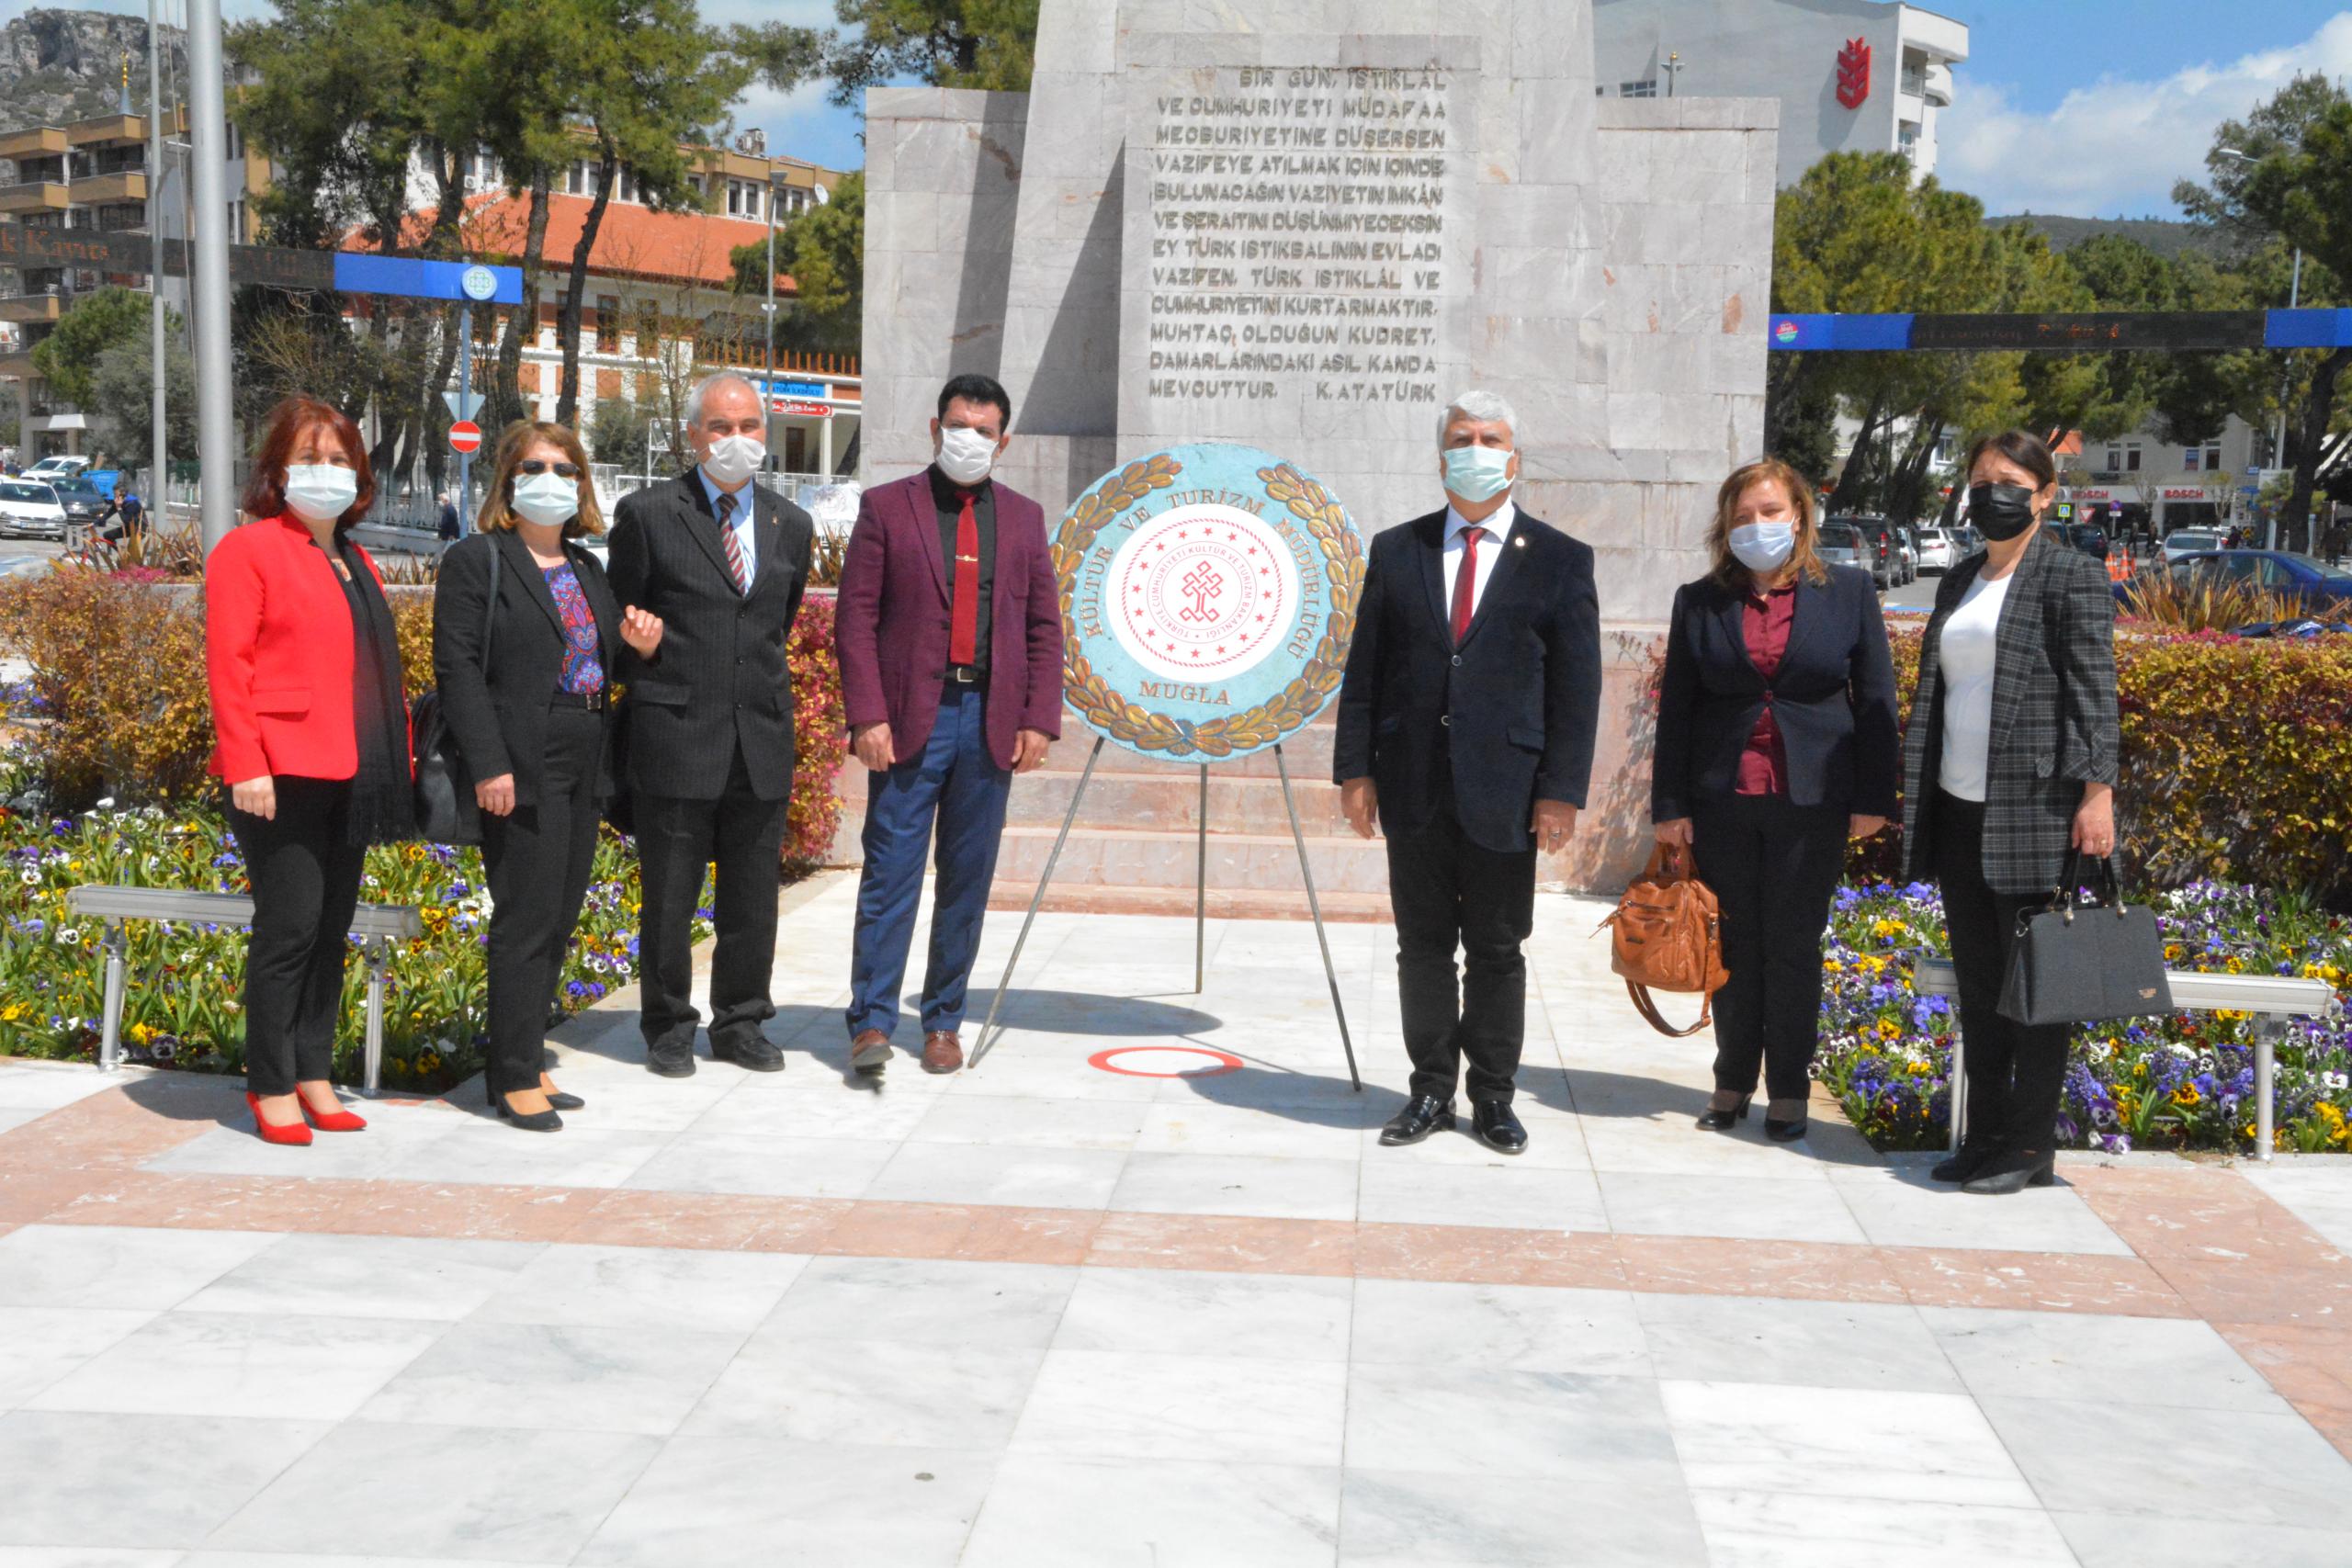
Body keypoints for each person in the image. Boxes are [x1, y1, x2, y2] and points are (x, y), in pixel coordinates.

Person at [1334, 390, 1602, 1155]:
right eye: (1462, 436)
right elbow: (1366, 672)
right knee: (1420, 945)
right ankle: (1427, 1089)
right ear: (1441, 453)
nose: (1476, 448)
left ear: (1514, 459)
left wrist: (1560, 792)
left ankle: (1492, 1095)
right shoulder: (1397, 549)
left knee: (1495, 947)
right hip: (1413, 783)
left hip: (1508, 793)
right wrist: (1356, 769)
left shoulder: (1558, 559)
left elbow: (1577, 688)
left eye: (1491, 438)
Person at [1653, 458, 1900, 1142]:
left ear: (1799, 516)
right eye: (1741, 516)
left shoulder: (1847, 592)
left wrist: (1876, 796)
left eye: (1768, 512)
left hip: (1812, 798)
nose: (1756, 526)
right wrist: (1670, 805)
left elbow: (1876, 696)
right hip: (1722, 799)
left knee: (1793, 945)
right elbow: (1677, 709)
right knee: (1733, 942)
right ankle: (1732, 1079)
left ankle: (1788, 1087)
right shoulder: (1698, 601)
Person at [1901, 429, 2120, 1196]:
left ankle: (2030, 1148)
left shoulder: (2071, 575)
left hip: (2035, 811)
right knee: (1981, 986)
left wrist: (2099, 792)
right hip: (1959, 810)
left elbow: (2096, 691)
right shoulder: (1959, 577)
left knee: (2037, 991)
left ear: (2046, 494)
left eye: (2011, 481)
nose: (1994, 493)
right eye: (1982, 479)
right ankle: (1985, 1136)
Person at [433, 423, 664, 1131]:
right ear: (507, 480)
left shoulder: (588, 568)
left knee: (560, 915)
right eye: (535, 466)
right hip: (519, 756)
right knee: (526, 915)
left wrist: (640, 651)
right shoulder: (479, 560)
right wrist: (490, 763)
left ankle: (527, 1054)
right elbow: (458, 669)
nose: (552, 479)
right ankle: (508, 1077)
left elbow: (600, 666)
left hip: (583, 752)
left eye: (566, 469)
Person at [834, 375, 1061, 1077]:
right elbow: (855, 619)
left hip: (987, 722)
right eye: (958, 425)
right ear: (935, 429)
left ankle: (942, 1021)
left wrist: (1039, 720)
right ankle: (872, 1021)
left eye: (983, 430)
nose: (970, 438)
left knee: (967, 878)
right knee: (891, 872)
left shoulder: (1023, 518)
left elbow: (1043, 627)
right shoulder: (886, 507)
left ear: (1004, 440)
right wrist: (867, 713)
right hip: (908, 723)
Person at [205, 398, 416, 1146]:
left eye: (338, 460)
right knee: (289, 928)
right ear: (277, 468)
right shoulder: (249, 548)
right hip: (279, 770)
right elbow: (227, 667)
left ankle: (314, 1071)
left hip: (351, 768)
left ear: (359, 474)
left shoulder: (354, 558)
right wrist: (245, 763)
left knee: (331, 929)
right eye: (309, 457)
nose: (324, 472)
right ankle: (270, 1083)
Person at [606, 371, 814, 1077]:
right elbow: (618, 620)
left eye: (749, 426)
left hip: (759, 739)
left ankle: (742, 1021)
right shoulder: (649, 513)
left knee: (753, 900)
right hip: (676, 735)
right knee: (669, 896)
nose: (736, 440)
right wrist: (634, 648)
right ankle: (668, 1025)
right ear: (692, 434)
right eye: (720, 428)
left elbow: (773, 627)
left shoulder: (793, 524)